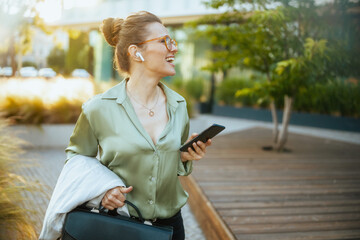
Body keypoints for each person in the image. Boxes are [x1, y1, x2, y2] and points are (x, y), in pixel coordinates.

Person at [65, 11, 211, 240]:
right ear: (136, 52)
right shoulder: (98, 108)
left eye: (172, 41)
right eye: (164, 41)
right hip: (119, 225)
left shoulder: (179, 105)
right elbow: (76, 159)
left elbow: (169, 164)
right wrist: (103, 190)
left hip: (171, 227)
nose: (173, 48)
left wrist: (184, 157)